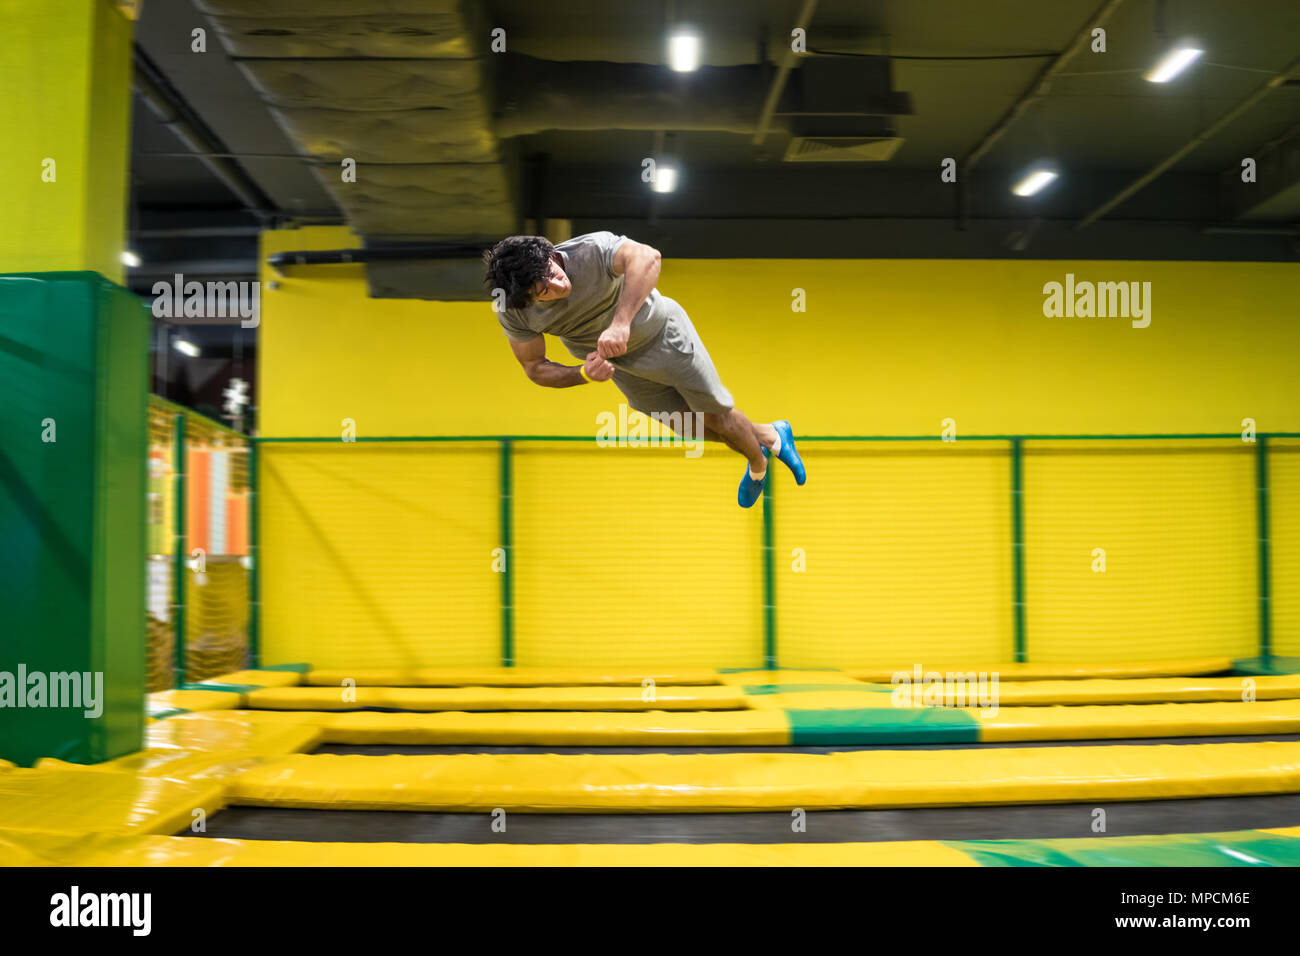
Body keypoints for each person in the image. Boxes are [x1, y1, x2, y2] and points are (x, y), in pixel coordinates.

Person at [483, 231, 806, 507]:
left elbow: (649, 257)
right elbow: (535, 367)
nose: (556, 287)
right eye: (544, 293)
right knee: (683, 424)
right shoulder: (513, 311)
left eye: (553, 274)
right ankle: (771, 434)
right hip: (620, 365)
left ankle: (757, 464)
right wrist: (582, 374)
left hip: (665, 336)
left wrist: (621, 322)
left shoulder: (592, 250)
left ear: (552, 255)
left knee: (716, 415)